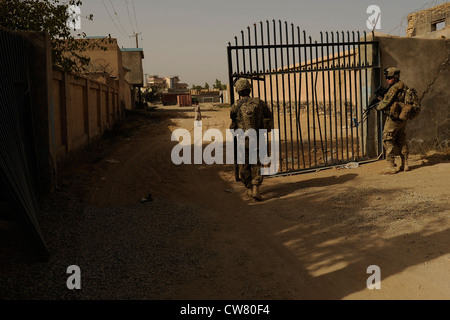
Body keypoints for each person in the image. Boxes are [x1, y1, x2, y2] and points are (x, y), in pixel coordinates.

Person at [230, 79, 273, 201]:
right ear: (249, 89)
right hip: (258, 137)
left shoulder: (235, 106)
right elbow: (268, 116)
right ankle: (256, 188)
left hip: (243, 139)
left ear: (238, 91)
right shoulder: (259, 102)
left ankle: (248, 188)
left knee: (245, 163)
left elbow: (233, 124)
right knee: (257, 162)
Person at [376, 67, 411, 175]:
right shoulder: (404, 86)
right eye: (387, 77)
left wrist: (378, 105)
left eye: (390, 77)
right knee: (401, 139)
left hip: (394, 118)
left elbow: (385, 104)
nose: (387, 80)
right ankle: (405, 164)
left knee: (387, 138)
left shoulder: (394, 88)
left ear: (395, 77)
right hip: (403, 117)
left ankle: (390, 165)